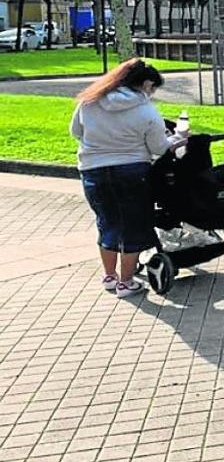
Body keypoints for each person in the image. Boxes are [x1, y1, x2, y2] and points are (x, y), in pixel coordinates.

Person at [71, 58, 185, 297]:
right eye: (153, 88)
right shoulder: (146, 111)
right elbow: (158, 147)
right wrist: (176, 140)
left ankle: (110, 277)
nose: (153, 93)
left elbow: (76, 132)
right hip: (132, 171)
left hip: (92, 169)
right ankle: (126, 282)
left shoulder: (89, 100)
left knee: (107, 222)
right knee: (132, 224)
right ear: (145, 84)